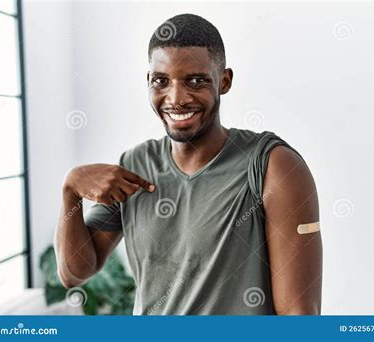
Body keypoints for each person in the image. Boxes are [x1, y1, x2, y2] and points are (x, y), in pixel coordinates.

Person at [54, 13, 322, 315]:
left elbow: (300, 315)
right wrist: (70, 190)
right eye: (161, 81)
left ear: (224, 81)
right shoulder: (135, 166)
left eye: (195, 81)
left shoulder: (273, 165)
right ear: (148, 82)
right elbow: (73, 273)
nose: (176, 98)